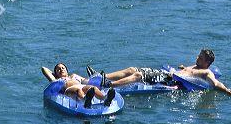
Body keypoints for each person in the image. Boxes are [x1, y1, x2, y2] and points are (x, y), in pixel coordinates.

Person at [86, 49, 231, 95]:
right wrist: (182, 68)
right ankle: (101, 76)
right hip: (167, 74)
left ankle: (108, 86)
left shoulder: (207, 73)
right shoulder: (196, 66)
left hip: (170, 81)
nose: (197, 57)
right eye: (199, 55)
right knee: (132, 69)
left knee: (138, 76)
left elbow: (217, 84)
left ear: (207, 62)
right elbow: (187, 72)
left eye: (201, 57)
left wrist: (228, 91)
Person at [41, 63, 116, 108]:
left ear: (67, 71)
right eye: (58, 69)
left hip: (82, 86)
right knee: (78, 90)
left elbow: (86, 81)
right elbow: (44, 69)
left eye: (63, 68)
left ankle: (105, 99)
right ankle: (85, 100)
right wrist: (55, 75)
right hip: (69, 90)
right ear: (55, 73)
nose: (61, 70)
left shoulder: (74, 76)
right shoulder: (57, 80)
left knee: (92, 88)